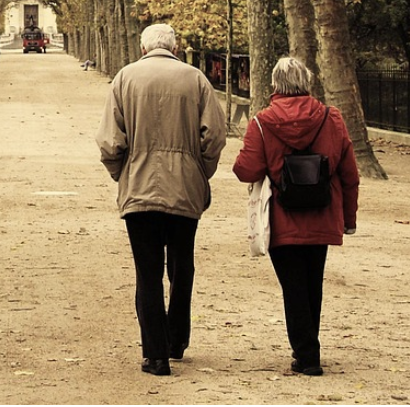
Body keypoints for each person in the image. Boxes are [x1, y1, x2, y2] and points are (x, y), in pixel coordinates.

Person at [96, 23, 227, 377]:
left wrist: (122, 173)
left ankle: (155, 355)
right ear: (175, 47)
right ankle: (177, 339)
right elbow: (214, 136)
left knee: (147, 273)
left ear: (142, 48)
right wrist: (200, 171)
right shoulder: (196, 80)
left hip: (138, 188)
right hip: (185, 188)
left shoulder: (125, 79)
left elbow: (110, 141)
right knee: (182, 267)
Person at [233, 56, 359, 377]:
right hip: (322, 214)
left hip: (282, 218)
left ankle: (307, 354)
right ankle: (308, 350)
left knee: (293, 286)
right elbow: (349, 174)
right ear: (307, 82)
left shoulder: (263, 122)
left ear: (275, 85)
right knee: (312, 283)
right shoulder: (332, 118)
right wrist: (349, 218)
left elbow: (245, 170)